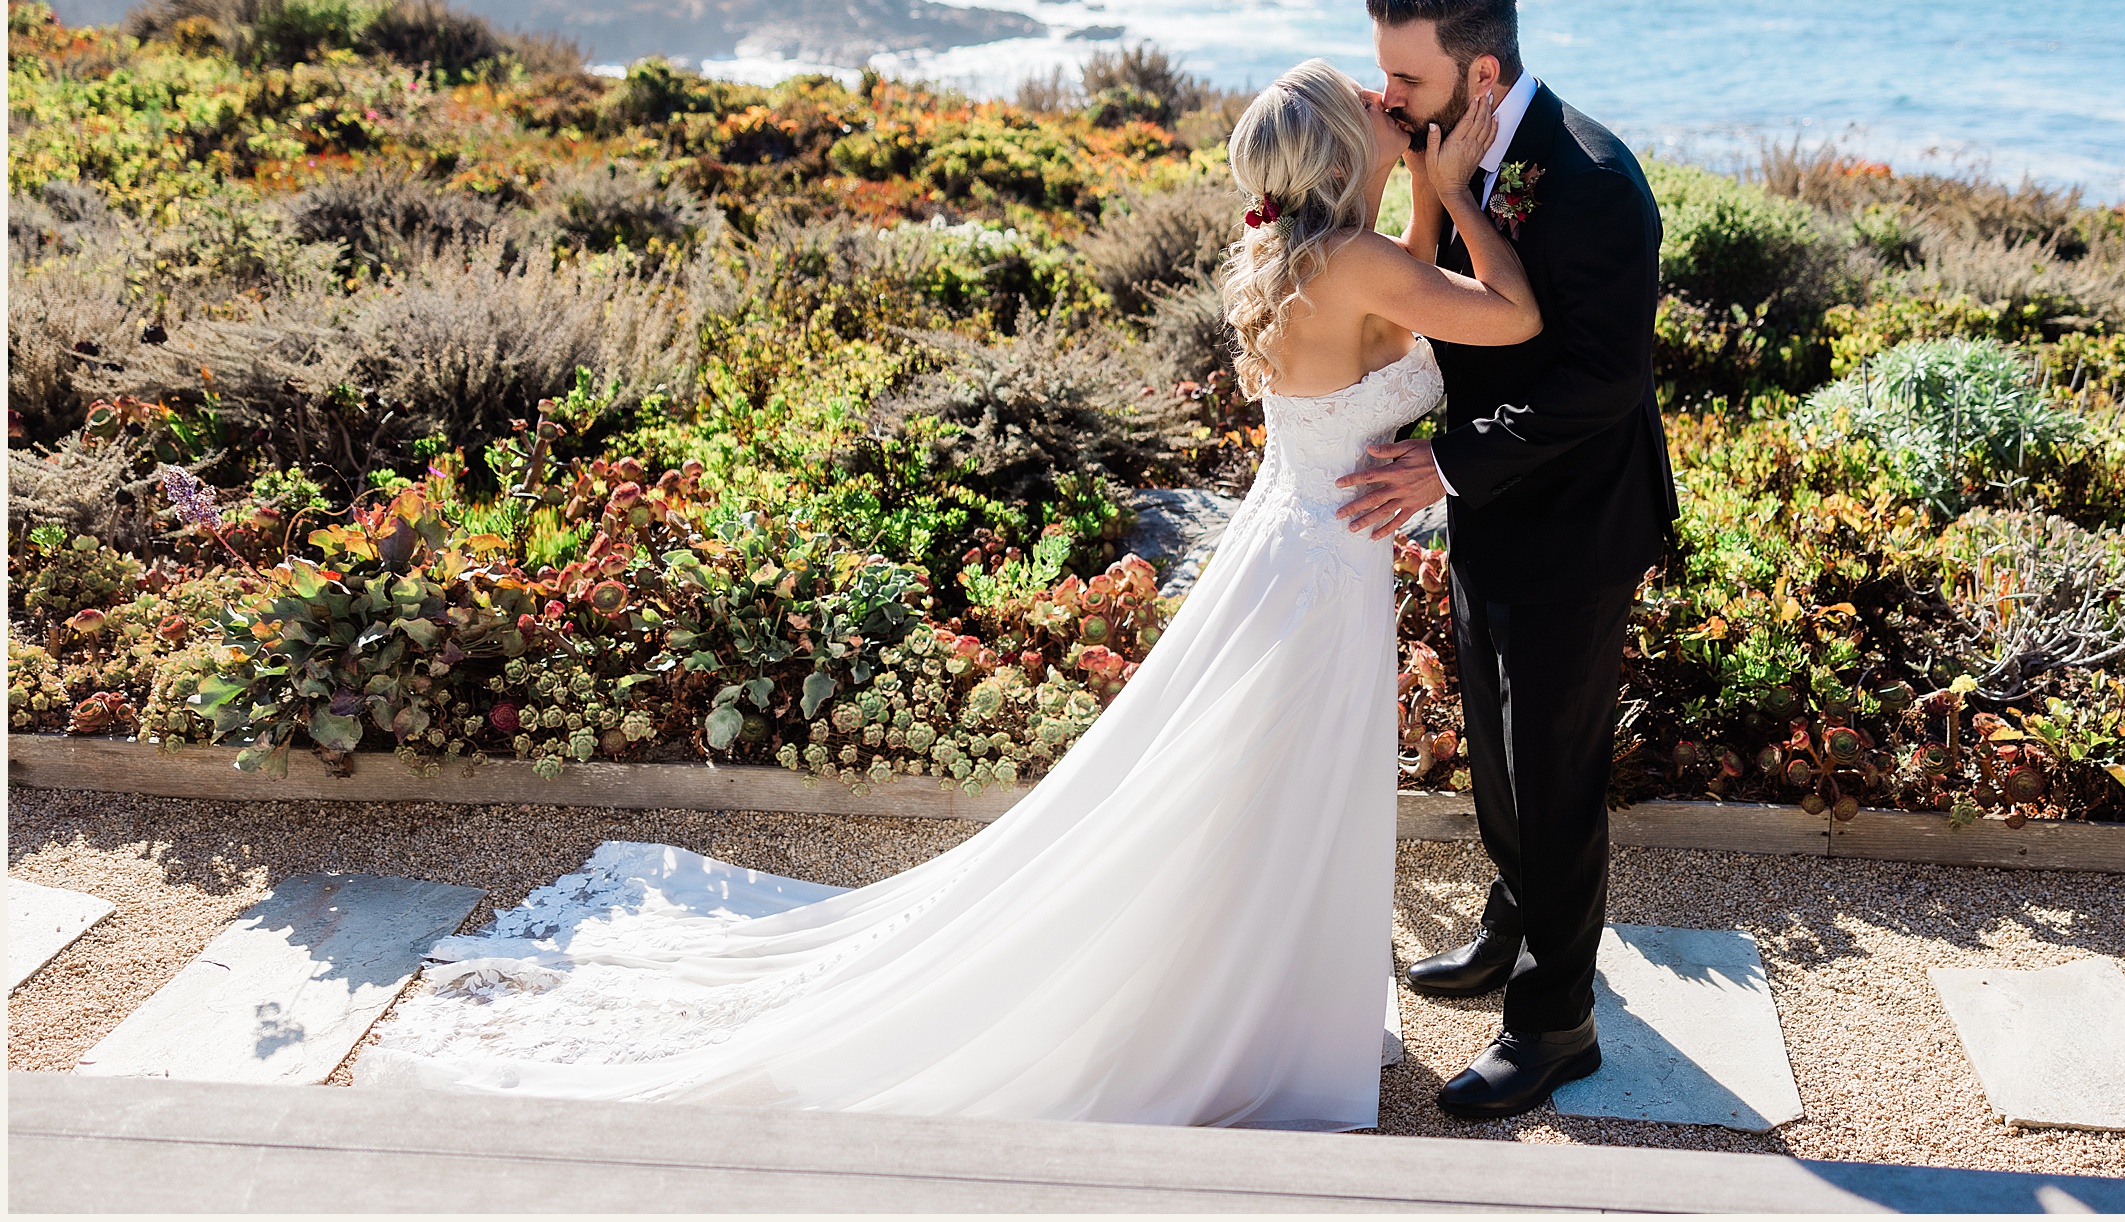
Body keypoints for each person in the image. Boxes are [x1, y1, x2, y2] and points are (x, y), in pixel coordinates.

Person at [357, 55, 1543, 1131]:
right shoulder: (1360, 260)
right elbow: (1509, 315)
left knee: (1255, 788)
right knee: (1278, 785)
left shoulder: (1302, 255)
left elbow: (1404, 288)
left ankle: (1264, 997)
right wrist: (1462, 185)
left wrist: (1420, 179)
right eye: (1372, 111)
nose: (1393, 114)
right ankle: (1250, 1014)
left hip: (1292, 549)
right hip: (1320, 569)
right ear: (1346, 155)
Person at [1335, 0, 1679, 1121]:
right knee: (1495, 746)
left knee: (1556, 774)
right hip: (1492, 507)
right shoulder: (1456, 146)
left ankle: (1555, 1022)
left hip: (1576, 525)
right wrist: (1433, 182)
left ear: (1479, 70)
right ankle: (1513, 917)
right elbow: (1435, 296)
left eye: (1402, 76)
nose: (1385, 98)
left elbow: (1603, 378)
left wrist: (1441, 461)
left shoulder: (1589, 177)